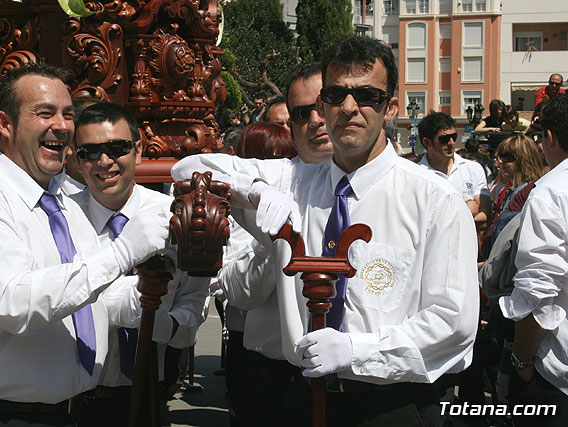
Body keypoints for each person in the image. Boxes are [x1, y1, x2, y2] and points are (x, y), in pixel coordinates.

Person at [172, 34, 478, 426]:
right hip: (301, 398)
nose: (349, 108)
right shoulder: (293, 182)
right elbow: (188, 168)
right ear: (323, 104)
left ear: (391, 107)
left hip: (392, 403)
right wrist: (256, 191)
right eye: (336, 95)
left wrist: (357, 350)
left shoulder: (434, 199)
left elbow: (454, 322)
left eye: (367, 95)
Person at [0, 63, 168, 426]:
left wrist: (167, 277)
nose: (62, 125)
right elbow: (16, 304)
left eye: (68, 114)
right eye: (44, 113)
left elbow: (93, 303)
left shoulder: (63, 205)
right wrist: (123, 252)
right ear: (5, 124)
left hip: (72, 411)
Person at [65, 101, 209, 426]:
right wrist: (127, 305)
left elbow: (195, 299)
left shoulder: (174, 214)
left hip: (150, 393)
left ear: (138, 149)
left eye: (116, 148)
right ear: (76, 158)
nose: (104, 162)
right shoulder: (60, 221)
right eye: (90, 152)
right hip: (74, 398)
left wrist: (170, 326)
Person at [217, 62, 332, 427]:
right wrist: (272, 244)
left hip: (354, 378)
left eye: (323, 104)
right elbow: (238, 295)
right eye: (300, 114)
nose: (315, 120)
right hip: (274, 372)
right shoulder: (267, 189)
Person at [219, 120, 298, 427]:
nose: (273, 170)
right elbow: (241, 294)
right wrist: (269, 247)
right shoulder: (236, 214)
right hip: (257, 352)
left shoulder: (299, 200)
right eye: (265, 159)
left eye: (284, 157)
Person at [500, 94, 568, 426]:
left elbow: (537, 291)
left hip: (556, 376)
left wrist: (522, 363)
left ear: (550, 138)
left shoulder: (552, 191)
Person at [417, 111, 491, 224]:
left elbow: (485, 214)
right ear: (427, 142)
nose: (451, 143)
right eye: (444, 139)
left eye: (454, 137)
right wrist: (466, 211)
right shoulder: (417, 176)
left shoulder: (473, 169)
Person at [286, 62, 333, 164]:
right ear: (290, 125)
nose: (315, 120)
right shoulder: (272, 178)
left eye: (324, 107)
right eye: (302, 113)